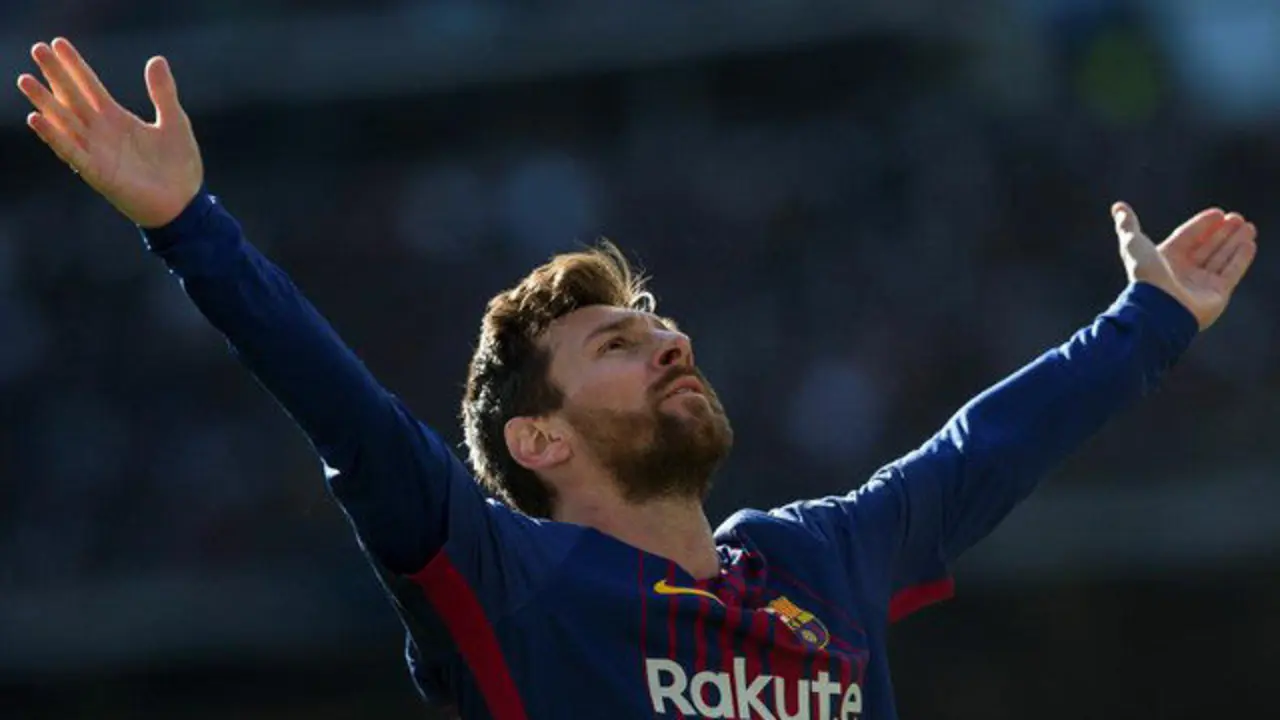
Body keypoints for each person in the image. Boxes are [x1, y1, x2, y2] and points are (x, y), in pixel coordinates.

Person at [17, 37, 1257, 720]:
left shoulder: (815, 565)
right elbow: (344, 409)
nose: (670, 343)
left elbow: (977, 453)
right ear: (537, 443)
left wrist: (1149, 320)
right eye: (615, 344)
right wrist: (190, 227)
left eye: (658, 328)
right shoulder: (512, 584)